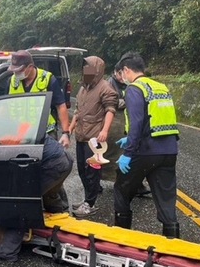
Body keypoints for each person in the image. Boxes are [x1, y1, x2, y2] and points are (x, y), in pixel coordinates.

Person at [0, 50, 74, 262]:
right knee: (44, 181)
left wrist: (66, 132)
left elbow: (61, 105)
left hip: (43, 136)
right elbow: (4, 107)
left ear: (30, 67)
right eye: (13, 70)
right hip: (27, 137)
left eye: (19, 70)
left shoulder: (47, 78)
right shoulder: (14, 83)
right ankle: (58, 215)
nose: (16, 74)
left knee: (25, 196)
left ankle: (8, 250)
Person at [112, 52, 180, 238]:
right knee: (165, 199)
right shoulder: (160, 87)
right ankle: (172, 243)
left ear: (126, 70)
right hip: (169, 150)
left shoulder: (135, 89)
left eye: (121, 73)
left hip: (146, 151)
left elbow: (137, 122)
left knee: (121, 189)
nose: (122, 78)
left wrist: (128, 151)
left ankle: (121, 238)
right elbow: (156, 118)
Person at [68, 56, 118, 217]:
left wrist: (104, 130)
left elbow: (110, 110)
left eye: (89, 68)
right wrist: (71, 127)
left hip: (95, 139)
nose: (86, 72)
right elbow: (77, 111)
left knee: (93, 171)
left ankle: (90, 203)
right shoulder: (84, 88)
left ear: (97, 70)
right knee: (82, 169)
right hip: (81, 136)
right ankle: (87, 199)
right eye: (85, 69)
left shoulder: (106, 88)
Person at [105, 65, 152, 196]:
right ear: (115, 73)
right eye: (120, 74)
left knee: (131, 153)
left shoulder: (131, 84)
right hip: (117, 123)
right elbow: (111, 102)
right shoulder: (110, 84)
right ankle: (122, 185)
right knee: (116, 154)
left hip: (128, 122)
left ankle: (134, 185)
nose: (122, 78)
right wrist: (130, 100)